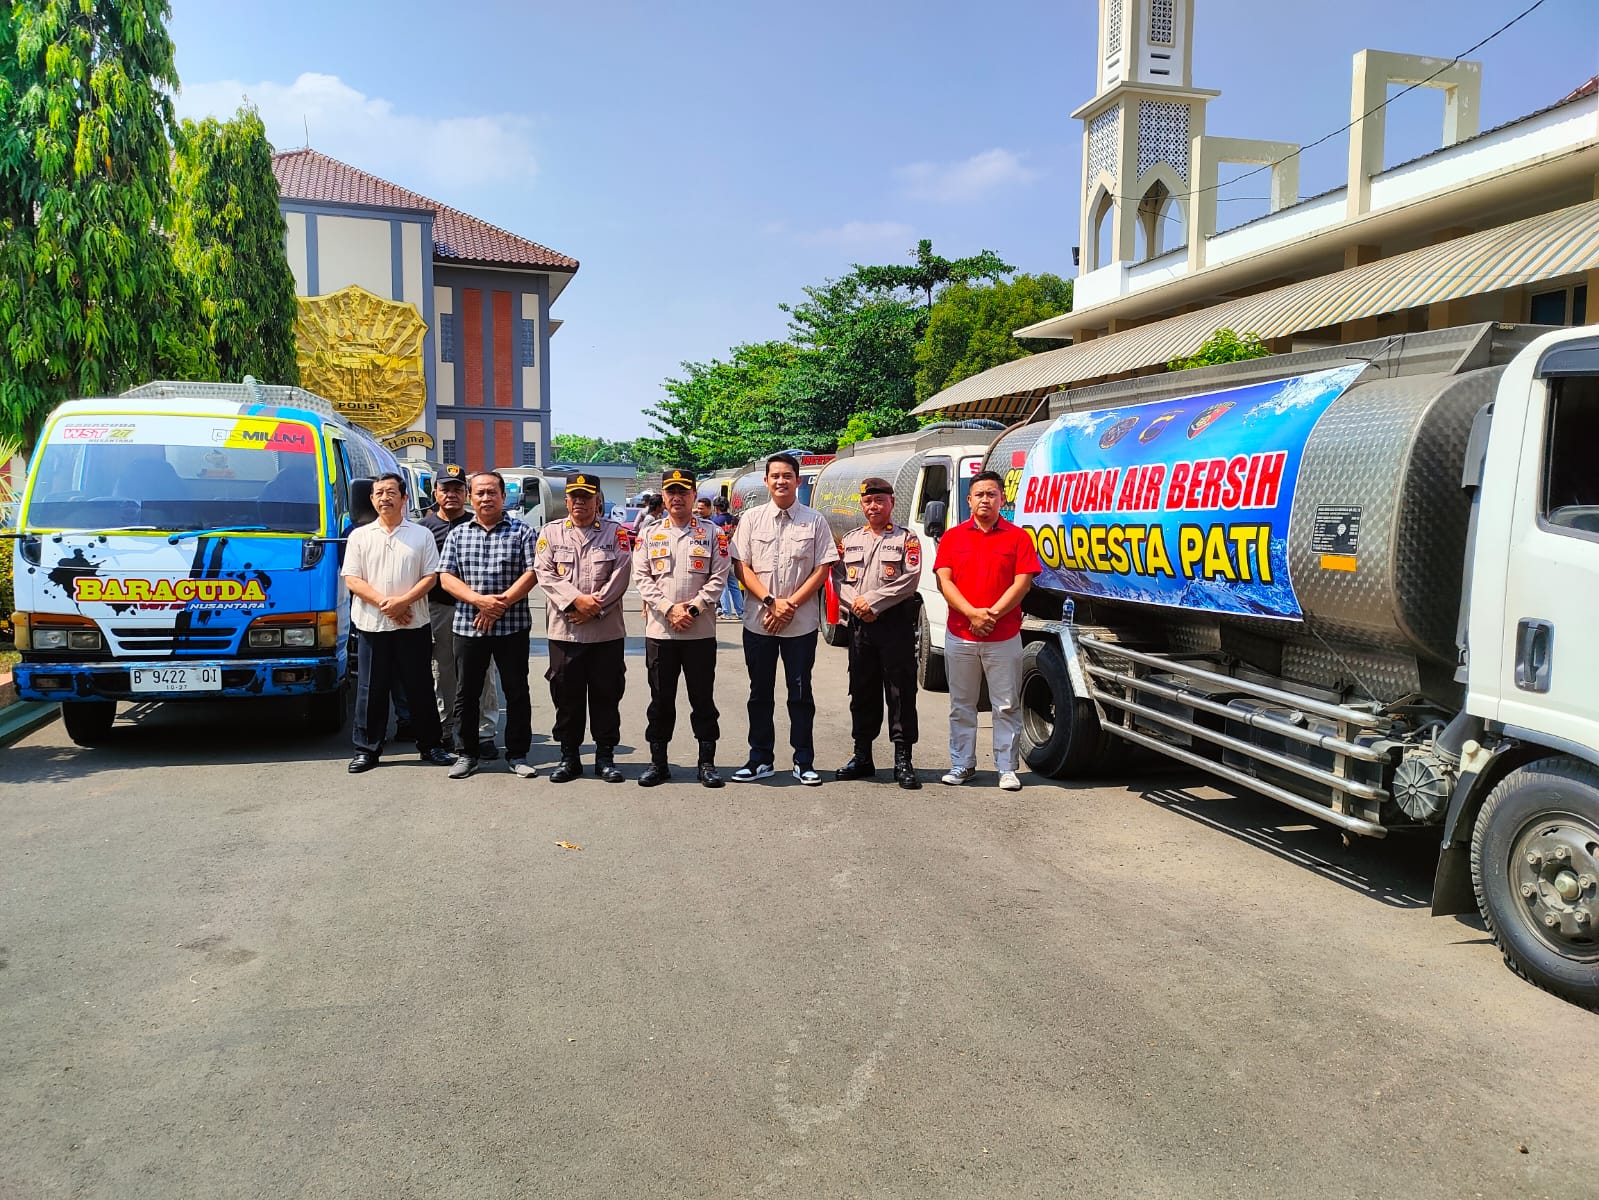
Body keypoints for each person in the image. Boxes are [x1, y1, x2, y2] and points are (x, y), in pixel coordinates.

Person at [729, 452, 838, 785]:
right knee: (759, 693)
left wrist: (788, 605)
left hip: (800, 623)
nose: (781, 481)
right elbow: (741, 566)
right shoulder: (751, 519)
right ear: (766, 481)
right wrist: (770, 601)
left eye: (787, 476)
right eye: (775, 476)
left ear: (798, 480)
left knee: (800, 694)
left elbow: (822, 568)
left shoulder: (814, 521)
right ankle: (760, 758)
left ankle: (803, 760)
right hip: (759, 621)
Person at [933, 469, 1042, 792]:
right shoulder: (953, 537)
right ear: (969, 500)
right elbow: (944, 581)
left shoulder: (1018, 538)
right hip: (960, 635)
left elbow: (1022, 584)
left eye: (991, 494)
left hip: (1003, 636)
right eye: (979, 494)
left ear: (1002, 499)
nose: (985, 500)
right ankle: (962, 764)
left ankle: (1007, 769)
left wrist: (991, 615)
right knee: (961, 705)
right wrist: (971, 614)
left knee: (1006, 705)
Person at [341, 472, 456, 774]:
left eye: (391, 492)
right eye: (379, 493)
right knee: (370, 689)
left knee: (420, 686)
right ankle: (367, 749)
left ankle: (431, 745)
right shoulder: (359, 536)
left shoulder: (421, 535)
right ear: (371, 499)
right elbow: (352, 579)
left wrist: (404, 602)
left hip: (413, 624)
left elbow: (431, 576)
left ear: (404, 498)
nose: (385, 498)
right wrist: (387, 604)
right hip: (372, 625)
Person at [633, 467, 730, 788]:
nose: (677, 497)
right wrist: (668, 609)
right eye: (671, 492)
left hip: (699, 632)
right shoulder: (649, 533)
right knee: (661, 700)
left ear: (694, 495)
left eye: (683, 492)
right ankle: (658, 763)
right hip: (661, 632)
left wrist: (693, 608)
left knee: (702, 699)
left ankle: (707, 763)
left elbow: (719, 576)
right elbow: (642, 577)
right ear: (663, 496)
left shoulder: (713, 533)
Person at [438, 471, 539, 780]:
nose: (486, 498)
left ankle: (517, 754)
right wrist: (479, 601)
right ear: (471, 497)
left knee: (516, 691)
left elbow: (533, 573)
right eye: (480, 493)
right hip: (468, 627)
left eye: (492, 492)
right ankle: (467, 754)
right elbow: (446, 577)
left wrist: (500, 605)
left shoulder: (523, 532)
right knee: (466, 693)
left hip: (513, 627)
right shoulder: (458, 534)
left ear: (503, 496)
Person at [534, 472, 632, 784]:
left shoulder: (615, 533)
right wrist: (576, 601)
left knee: (607, 694)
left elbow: (621, 573)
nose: (580, 502)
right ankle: (569, 757)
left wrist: (594, 608)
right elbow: (544, 573)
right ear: (566, 501)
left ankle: (605, 757)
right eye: (574, 496)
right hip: (565, 632)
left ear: (597, 500)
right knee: (566, 696)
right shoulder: (551, 533)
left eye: (586, 496)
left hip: (606, 633)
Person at [833, 476, 924, 790]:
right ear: (862, 504)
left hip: (894, 624)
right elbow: (838, 577)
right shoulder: (851, 539)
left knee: (900, 692)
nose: (873, 506)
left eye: (880, 501)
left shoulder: (906, 539)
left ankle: (903, 759)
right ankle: (862, 756)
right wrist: (856, 605)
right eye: (868, 501)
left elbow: (910, 579)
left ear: (891, 503)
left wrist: (872, 602)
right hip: (860, 626)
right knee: (861, 690)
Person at [418, 464, 503, 759]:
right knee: (443, 671)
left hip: (478, 611)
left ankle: (485, 732)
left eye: (457, 489)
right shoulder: (424, 529)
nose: (451, 494)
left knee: (483, 672)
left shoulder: (476, 522)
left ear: (466, 493)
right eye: (445, 489)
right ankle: (448, 729)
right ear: (435, 492)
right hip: (440, 608)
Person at [712, 496, 744, 621]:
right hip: (734, 554)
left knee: (723, 584)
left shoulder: (715, 521)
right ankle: (740, 611)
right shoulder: (735, 520)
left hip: (721, 555)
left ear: (716, 508)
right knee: (734, 584)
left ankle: (727, 612)